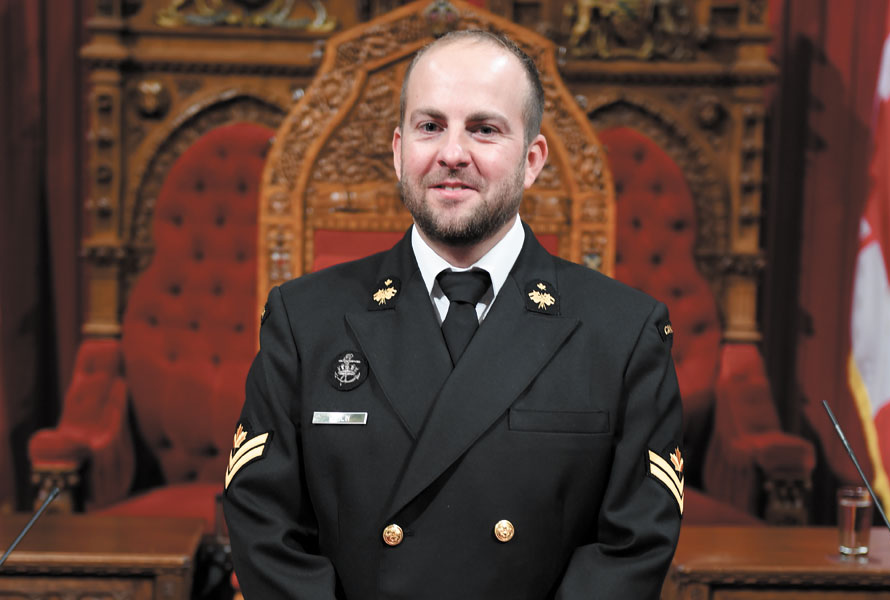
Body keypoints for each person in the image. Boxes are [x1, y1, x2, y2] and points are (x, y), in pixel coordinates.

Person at [223, 30, 684, 599]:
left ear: (532, 159)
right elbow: (263, 523)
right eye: (430, 126)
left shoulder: (624, 333)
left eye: (484, 129)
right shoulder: (304, 319)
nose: (452, 154)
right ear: (398, 151)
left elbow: (632, 546)